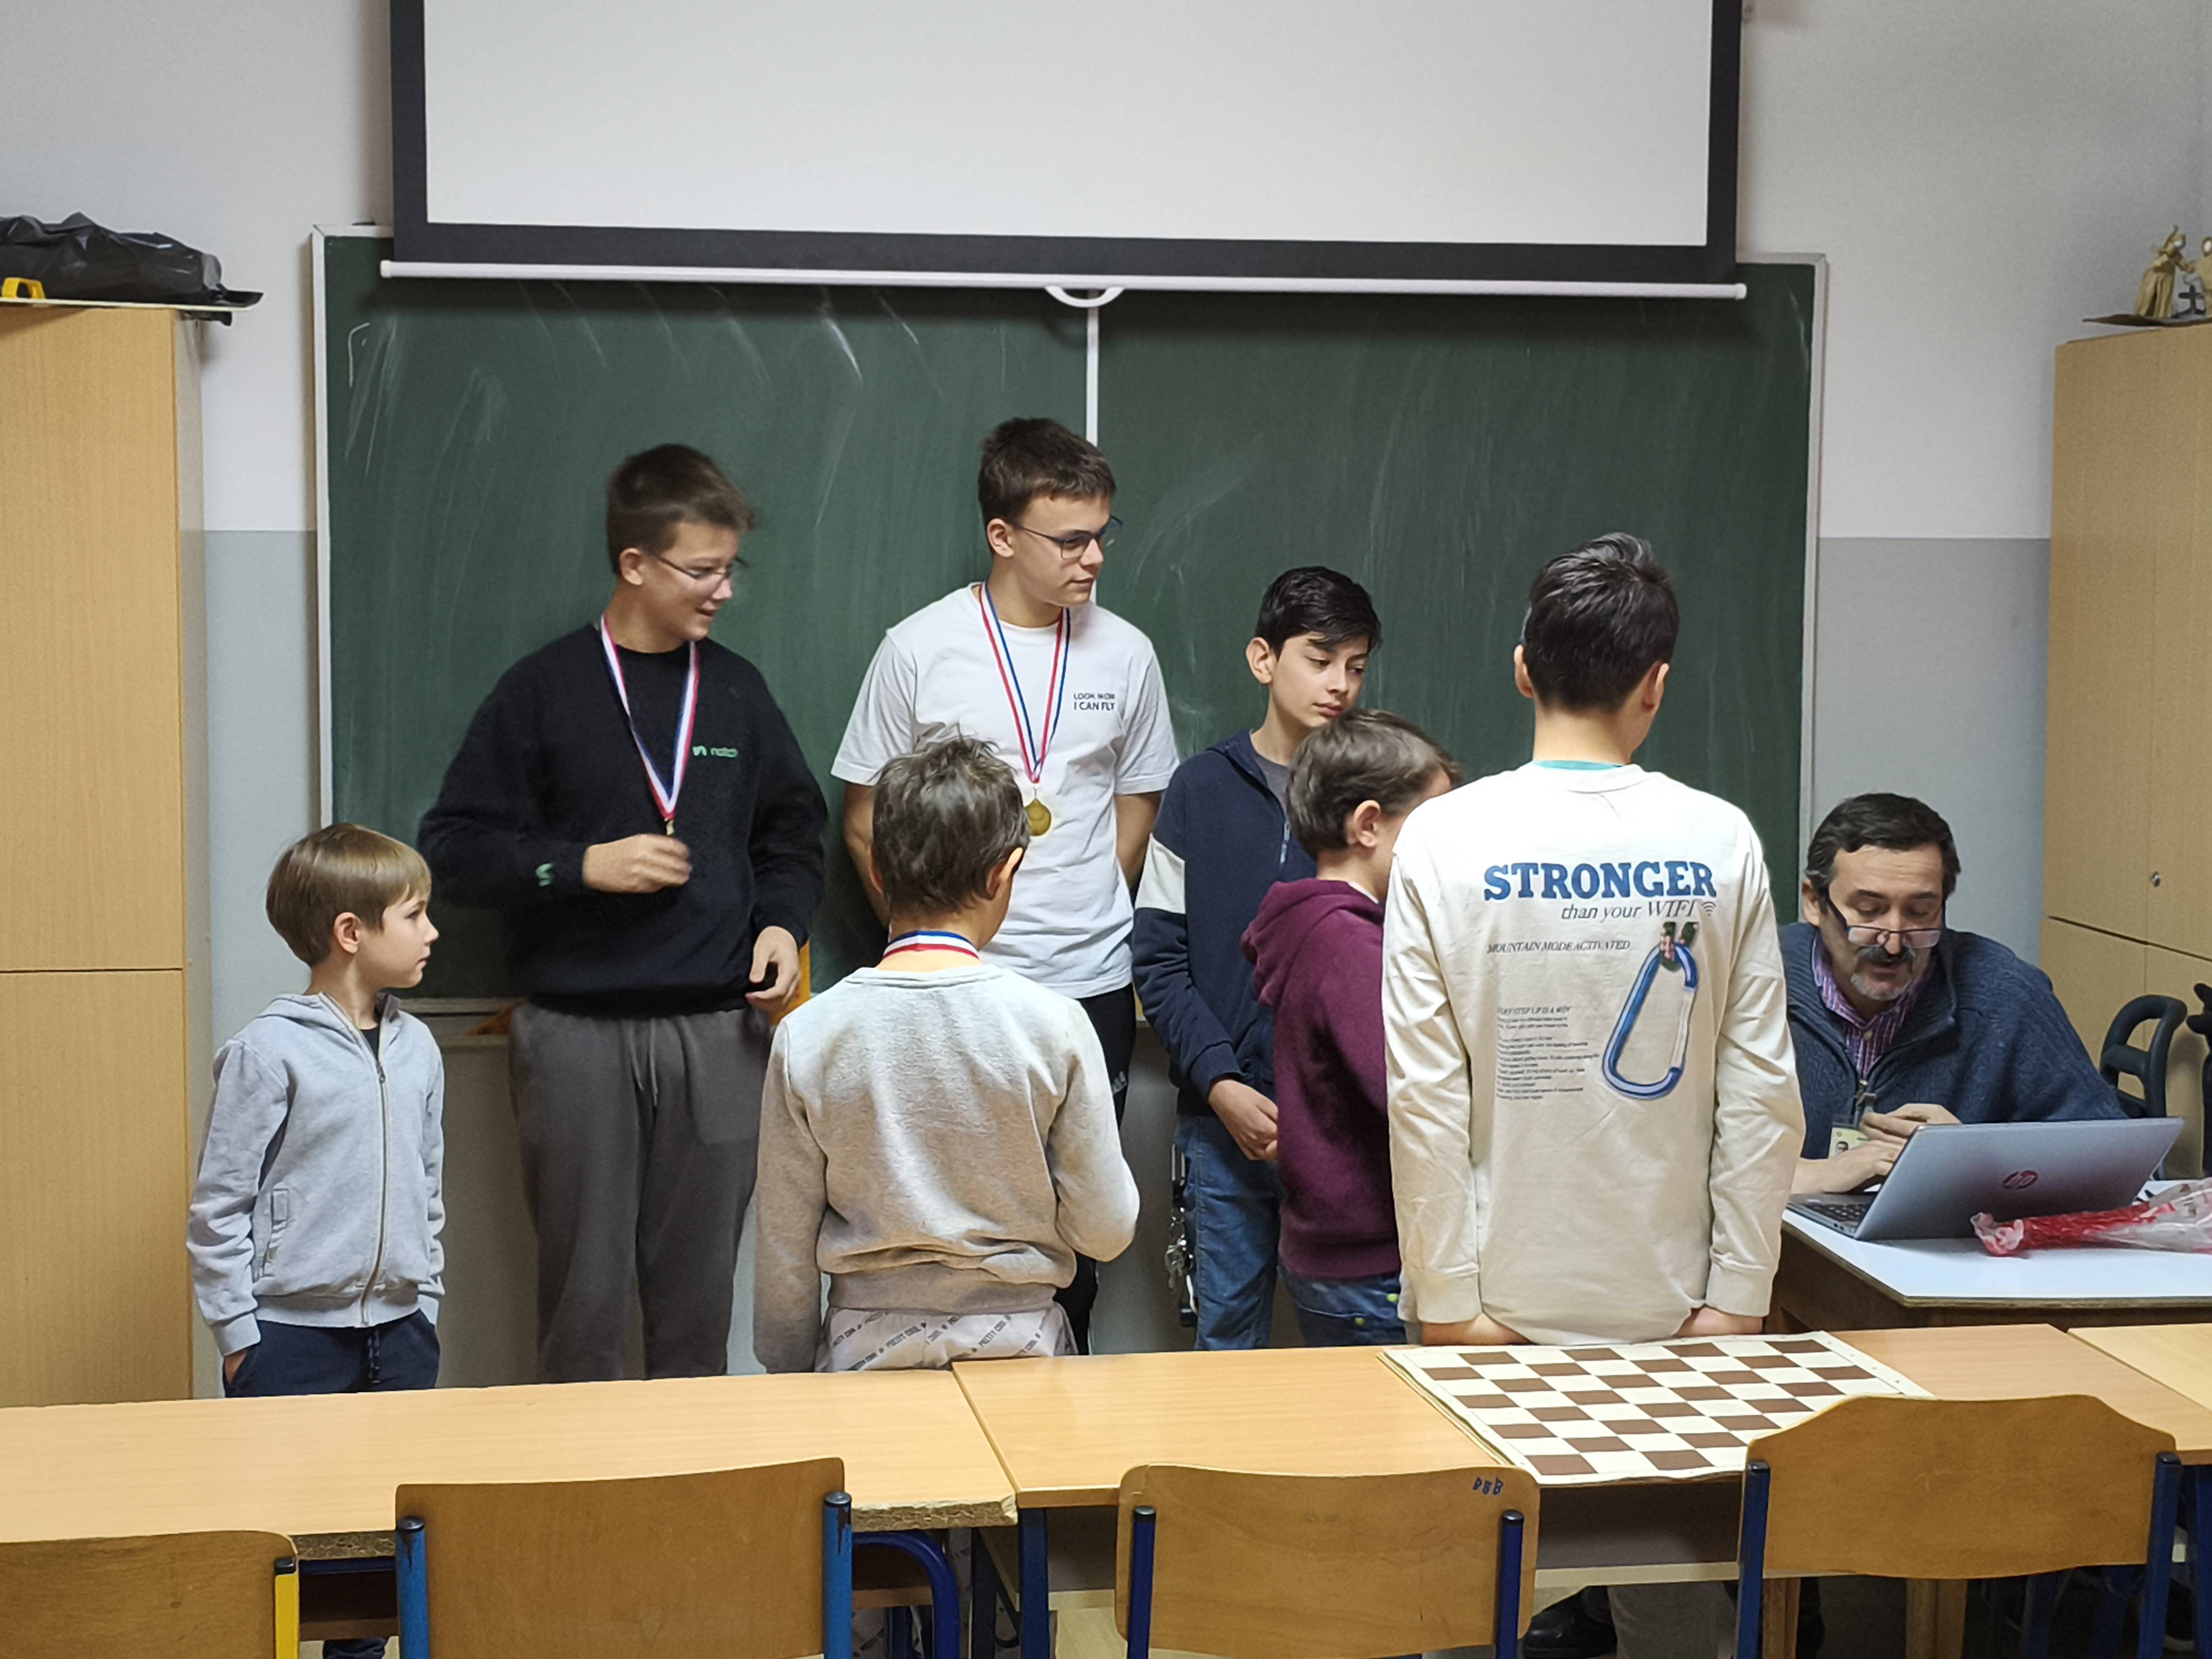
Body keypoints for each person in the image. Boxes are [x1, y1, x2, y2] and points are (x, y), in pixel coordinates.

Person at [1385, 534, 1803, 1659]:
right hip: (1675, 1309)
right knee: (1671, 1593)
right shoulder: (1718, 838)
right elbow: (1761, 1090)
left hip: (1491, 1303)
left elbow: (1423, 1098)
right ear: (1655, 685)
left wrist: (1447, 1302)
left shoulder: (1441, 837)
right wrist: (1738, 1296)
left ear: (1523, 667)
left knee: (1469, 1603)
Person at [419, 444, 826, 1382]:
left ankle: (690, 1475)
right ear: (635, 564)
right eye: (702, 570)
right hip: (576, 1037)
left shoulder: (736, 690)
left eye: (731, 567)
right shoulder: (542, 691)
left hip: (719, 1033)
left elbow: (793, 832)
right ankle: (582, 1474)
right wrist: (579, 866)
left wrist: (781, 921)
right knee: (584, 1304)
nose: (724, 590)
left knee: (697, 1309)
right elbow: (455, 849)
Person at [833, 417, 1177, 1349]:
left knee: (1079, 1230)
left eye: (1102, 534)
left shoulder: (1127, 653)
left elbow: (1139, 802)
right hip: (949, 989)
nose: (1093, 557)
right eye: (1070, 539)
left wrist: (1085, 903)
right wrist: (930, 935)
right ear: (1002, 535)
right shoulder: (919, 648)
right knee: (945, 1211)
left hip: (1089, 984)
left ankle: (1057, 1400)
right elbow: (864, 817)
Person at [752, 737, 1140, 1373]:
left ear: (877, 870)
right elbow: (1106, 1229)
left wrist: (790, 1371)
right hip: (1020, 1343)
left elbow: (784, 1246)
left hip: (864, 1346)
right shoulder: (1056, 1026)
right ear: (1003, 873)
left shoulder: (809, 1034)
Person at [188, 825, 444, 1659]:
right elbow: (218, 1210)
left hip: (400, 1339)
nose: (433, 931)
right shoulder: (267, 1053)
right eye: (415, 914)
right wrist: (241, 1342)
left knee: (376, 1567)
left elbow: (428, 1189)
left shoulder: (418, 1047)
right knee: (283, 1555)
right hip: (290, 1343)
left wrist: (426, 1303)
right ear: (350, 932)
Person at [1132, 567, 1380, 1348]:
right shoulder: (1197, 790)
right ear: (1263, 659)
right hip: (1222, 1124)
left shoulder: (1378, 806)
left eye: (1356, 667)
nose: (1339, 684)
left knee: (1360, 1349)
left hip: (1344, 1134)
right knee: (1225, 1345)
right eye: (1320, 659)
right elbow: (1158, 960)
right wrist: (1222, 1084)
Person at [1786, 792, 2123, 1195]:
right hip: (1776, 1232)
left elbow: (2118, 1167)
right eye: (1869, 911)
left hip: (1947, 1232)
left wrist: (1977, 1156)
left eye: (1920, 913)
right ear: (1814, 902)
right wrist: (1800, 1177)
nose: (1894, 943)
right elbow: (1709, 1155)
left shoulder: (2007, 995)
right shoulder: (1750, 982)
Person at [1243, 709, 1456, 1347]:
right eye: (1432, 825)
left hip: (1338, 1255)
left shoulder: (1318, 927)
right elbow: (1406, 1089)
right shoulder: (1347, 945)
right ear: (1368, 825)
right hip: (1369, 1261)